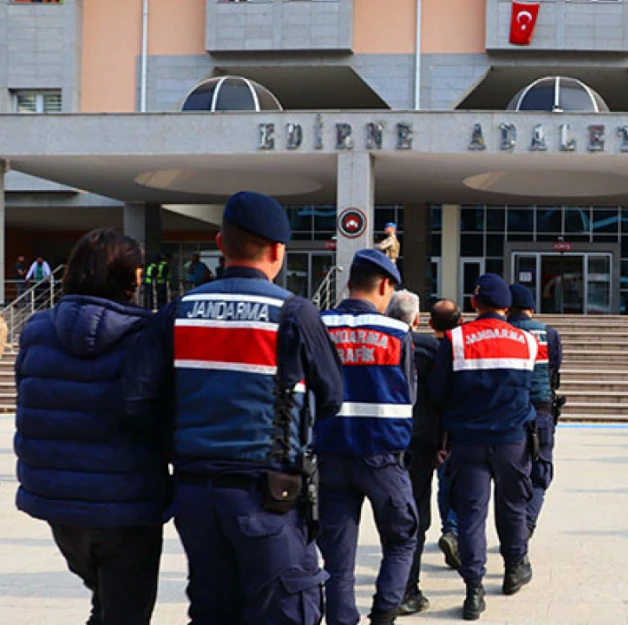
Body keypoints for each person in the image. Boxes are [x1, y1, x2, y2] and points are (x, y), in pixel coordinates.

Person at [123, 190, 345, 623]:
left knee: (213, 610)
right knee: (284, 610)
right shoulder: (293, 313)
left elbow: (134, 401)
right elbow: (332, 396)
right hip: (270, 497)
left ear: (220, 245)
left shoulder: (177, 312)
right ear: (279, 250)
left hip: (194, 495)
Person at [16, 229, 169, 625]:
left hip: (60, 505)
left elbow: (29, 399)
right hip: (127, 506)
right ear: (130, 280)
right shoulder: (147, 336)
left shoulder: (36, 331)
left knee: (104, 604)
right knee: (125, 611)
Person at [316, 249, 418, 625]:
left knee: (337, 556)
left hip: (329, 452)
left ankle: (341, 620)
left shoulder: (319, 326)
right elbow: (409, 394)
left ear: (347, 283)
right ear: (386, 285)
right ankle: (384, 615)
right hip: (382, 456)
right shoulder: (397, 332)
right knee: (402, 538)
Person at [430, 274, 538, 621]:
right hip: (512, 441)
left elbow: (438, 392)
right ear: (507, 306)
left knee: (471, 516)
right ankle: (512, 570)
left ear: (474, 304)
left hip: (467, 441)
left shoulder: (456, 339)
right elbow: (527, 388)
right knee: (513, 507)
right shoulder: (526, 340)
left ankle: (473, 591)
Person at [389, 291, 441, 616]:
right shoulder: (431, 348)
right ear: (417, 319)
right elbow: (443, 395)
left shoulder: (374, 340)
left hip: (378, 440)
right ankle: (407, 588)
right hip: (420, 440)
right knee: (415, 514)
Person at [508, 284, 563, 538]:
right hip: (541, 410)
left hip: (506, 413)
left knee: (507, 477)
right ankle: (527, 523)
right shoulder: (548, 334)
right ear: (532, 309)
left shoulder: (502, 332)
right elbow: (554, 369)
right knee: (540, 474)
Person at [431, 301, 464, 572]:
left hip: (434, 426)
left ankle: (448, 528)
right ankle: (454, 531)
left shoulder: (425, 348)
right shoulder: (460, 348)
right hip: (459, 425)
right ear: (461, 321)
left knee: (444, 481)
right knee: (463, 482)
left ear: (430, 324)